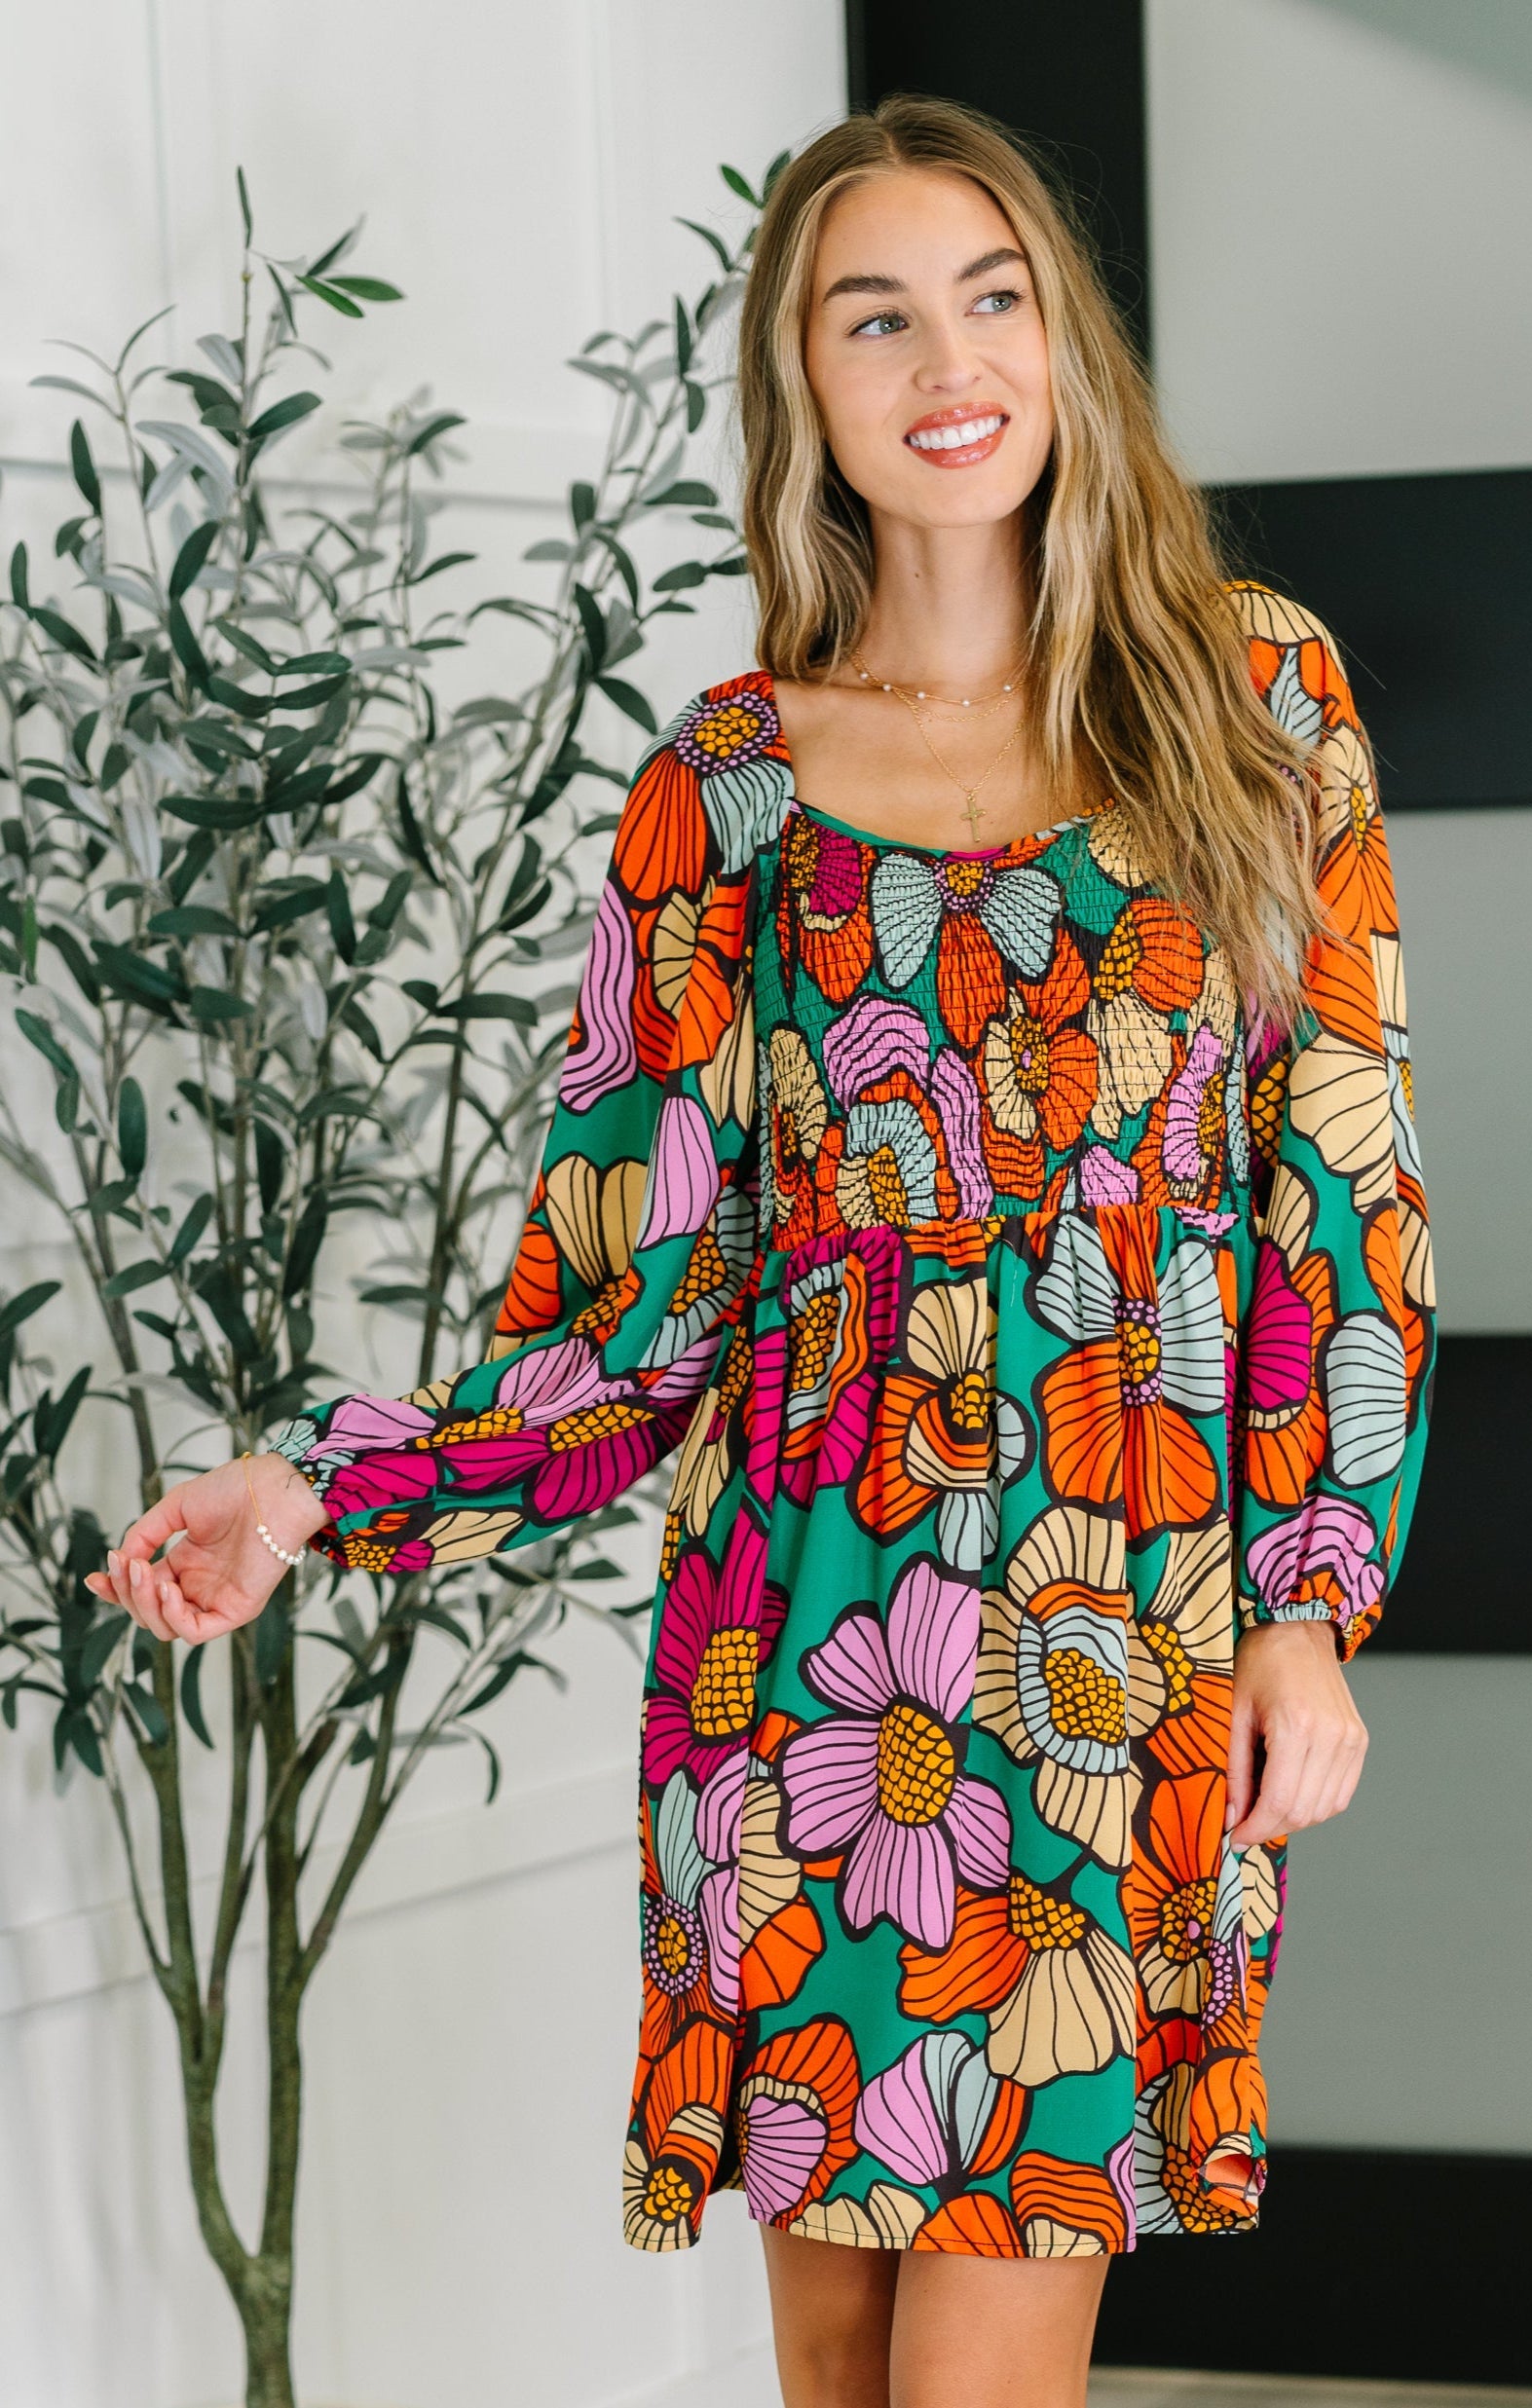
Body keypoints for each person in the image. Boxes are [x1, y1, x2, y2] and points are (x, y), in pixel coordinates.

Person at [91, 95, 1433, 2408]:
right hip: (799, 1684)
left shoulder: (1256, 698)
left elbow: (1347, 1202)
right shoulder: (723, 783)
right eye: (876, 312)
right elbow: (626, 1311)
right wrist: (312, 1485)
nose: (950, 358)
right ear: (802, 385)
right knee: (837, 2384)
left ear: (1067, 345)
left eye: (995, 296)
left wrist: (1311, 1613)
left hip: (1122, 1659)